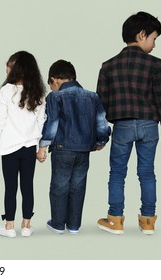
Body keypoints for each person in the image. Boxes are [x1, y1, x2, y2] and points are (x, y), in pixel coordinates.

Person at [96, 11, 161, 235]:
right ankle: (148, 221)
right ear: (141, 35)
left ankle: (115, 220)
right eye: (154, 38)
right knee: (147, 172)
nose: (154, 45)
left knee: (117, 173)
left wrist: (101, 134)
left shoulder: (108, 65)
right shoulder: (155, 64)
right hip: (150, 125)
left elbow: (101, 104)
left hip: (123, 126)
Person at [37, 60, 110, 235]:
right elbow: (102, 121)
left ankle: (57, 224)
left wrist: (43, 146)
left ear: (54, 79)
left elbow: (52, 122)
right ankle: (74, 225)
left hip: (63, 148)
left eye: (51, 84)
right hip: (84, 150)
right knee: (78, 187)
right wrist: (101, 141)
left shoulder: (55, 97)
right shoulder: (93, 96)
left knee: (59, 186)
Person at [0, 51, 46, 238]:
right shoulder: (39, 93)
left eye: (9, 67)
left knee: (10, 187)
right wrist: (40, 146)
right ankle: (26, 225)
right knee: (28, 186)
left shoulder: (6, 91)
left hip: (10, 148)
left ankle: (9, 226)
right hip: (29, 147)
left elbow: (1, 119)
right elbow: (41, 121)